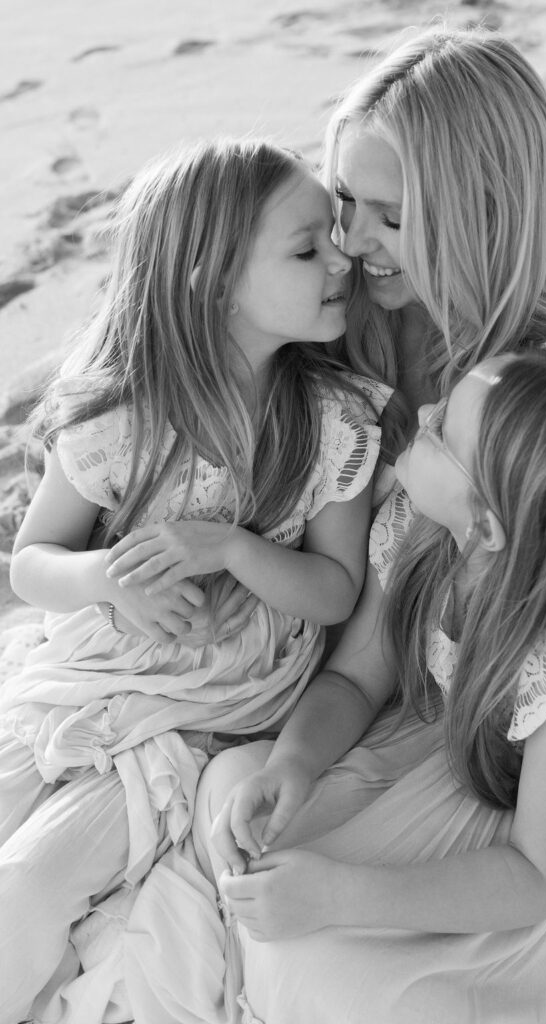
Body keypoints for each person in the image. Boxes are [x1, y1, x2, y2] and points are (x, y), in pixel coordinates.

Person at [0, 136, 396, 1024]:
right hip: (85, 682)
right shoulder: (122, 413)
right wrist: (109, 578)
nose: (343, 258)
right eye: (306, 250)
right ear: (208, 282)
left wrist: (239, 551)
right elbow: (33, 564)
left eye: (330, 238)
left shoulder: (332, 421)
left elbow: (337, 593)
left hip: (199, 718)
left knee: (22, 889)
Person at [198, 349, 546, 1023]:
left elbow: (538, 874)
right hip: (477, 746)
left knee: (331, 978)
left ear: (486, 523)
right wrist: (291, 765)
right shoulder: (418, 526)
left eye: (440, 432)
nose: (422, 413)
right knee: (233, 788)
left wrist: (341, 895)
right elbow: (354, 679)